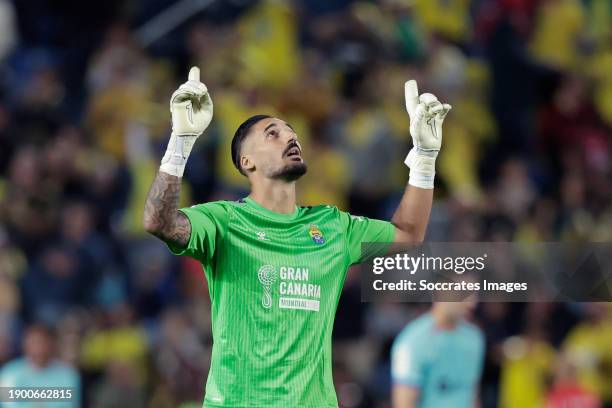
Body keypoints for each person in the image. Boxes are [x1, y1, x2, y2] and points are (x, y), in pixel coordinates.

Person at [143, 67, 452, 407]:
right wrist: (181, 141)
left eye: (292, 132)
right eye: (272, 134)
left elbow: (408, 235)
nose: (290, 137)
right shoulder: (224, 220)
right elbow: (160, 222)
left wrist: (424, 158)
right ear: (247, 162)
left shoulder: (333, 226)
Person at [391, 301, 484, 408]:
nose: (471, 303)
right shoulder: (411, 341)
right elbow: (404, 403)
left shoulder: (474, 337)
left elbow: (472, 394)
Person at [0, 324, 80, 408]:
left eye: (42, 342)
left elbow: (69, 405)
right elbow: (8, 405)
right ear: (25, 344)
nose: (39, 348)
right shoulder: (9, 372)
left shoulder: (68, 374)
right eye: (34, 342)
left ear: (52, 344)